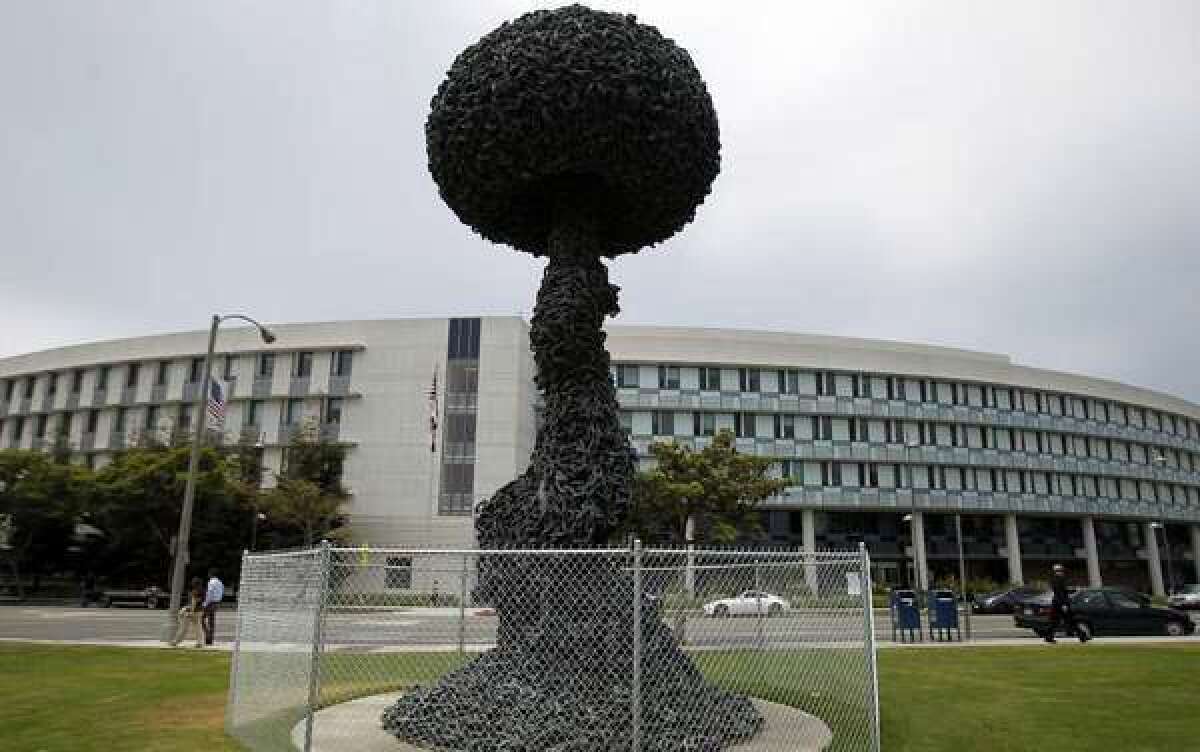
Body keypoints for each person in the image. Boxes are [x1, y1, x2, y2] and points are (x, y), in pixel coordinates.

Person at [1045, 563, 1089, 644]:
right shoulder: (1059, 580)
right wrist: (1064, 604)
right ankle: (1082, 636)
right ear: (1057, 571)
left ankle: (1049, 637)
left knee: (1055, 622)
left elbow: (1064, 591)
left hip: (1057, 603)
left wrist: (1073, 590)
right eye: (1060, 570)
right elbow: (1060, 593)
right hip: (1061, 604)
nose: (1062, 572)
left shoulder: (1056, 579)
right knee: (1070, 620)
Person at [170, 577, 205, 648]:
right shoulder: (203, 591)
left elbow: (193, 602)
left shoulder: (195, 591)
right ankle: (200, 642)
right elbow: (199, 601)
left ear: (194, 583)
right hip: (200, 611)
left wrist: (190, 612)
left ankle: (175, 641)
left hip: (192, 611)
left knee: (184, 627)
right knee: (198, 628)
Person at [201, 569, 224, 647]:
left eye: (209, 574)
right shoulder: (220, 582)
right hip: (217, 602)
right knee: (211, 621)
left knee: (201, 619)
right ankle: (210, 639)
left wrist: (205, 603)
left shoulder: (211, 582)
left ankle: (208, 635)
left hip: (210, 603)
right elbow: (221, 593)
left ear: (211, 574)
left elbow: (209, 594)